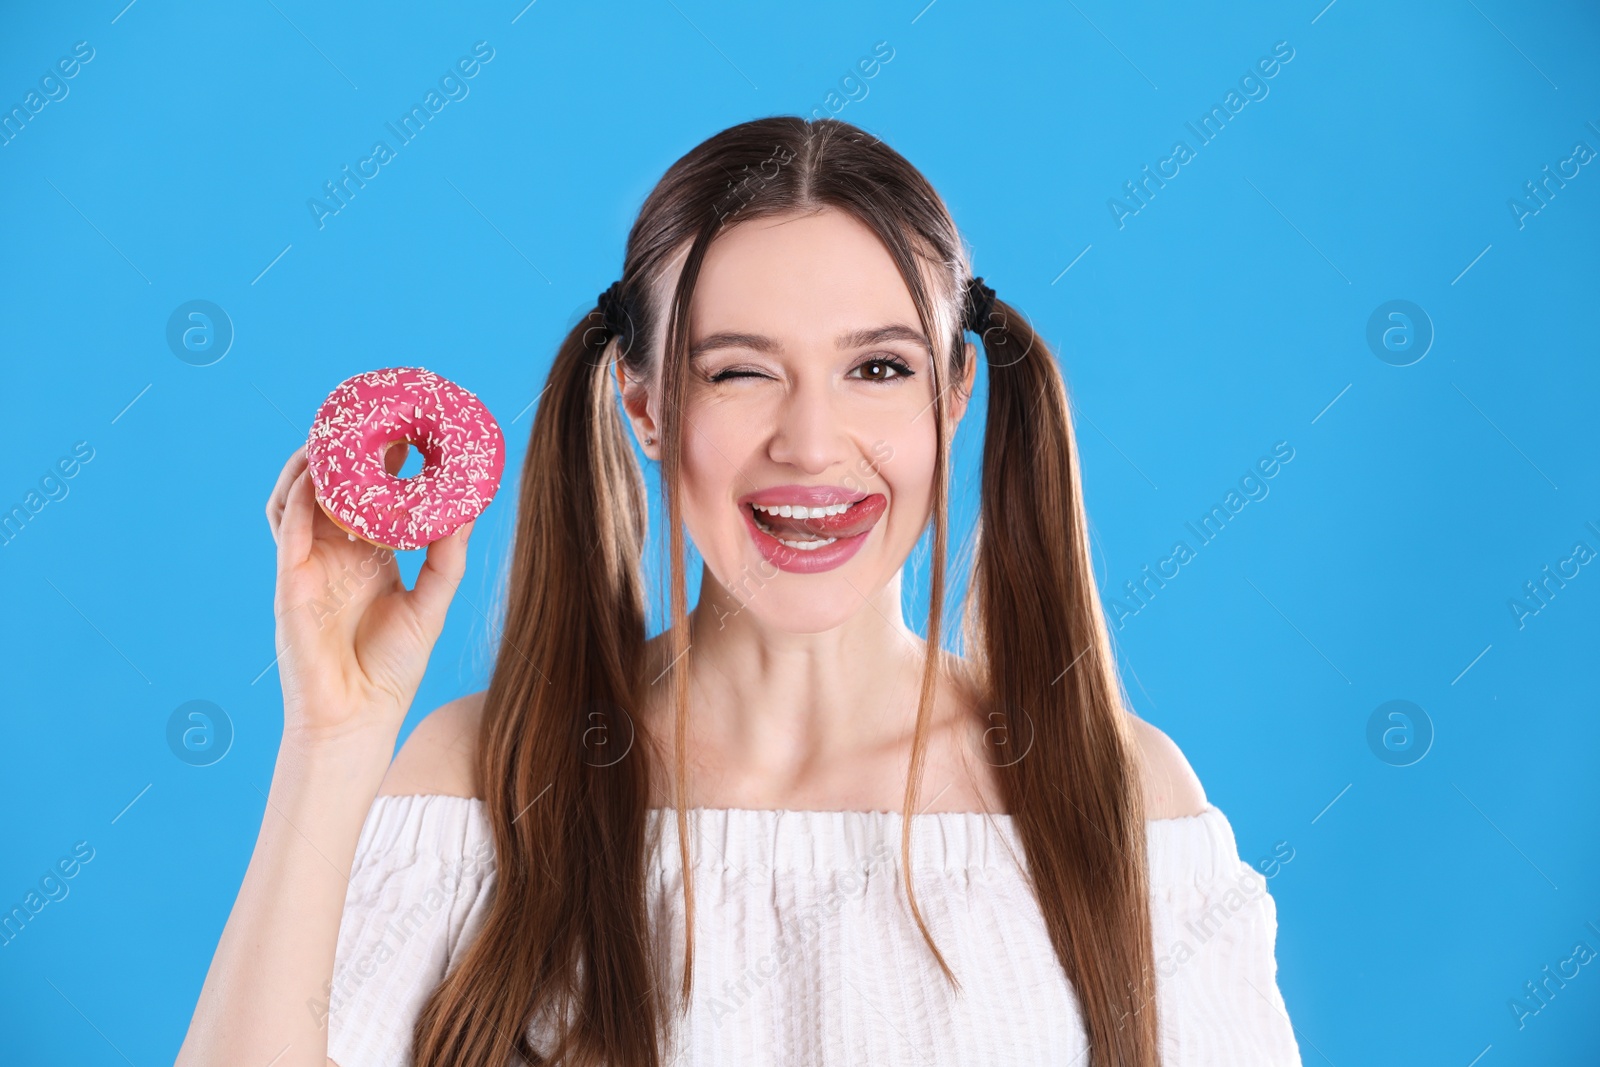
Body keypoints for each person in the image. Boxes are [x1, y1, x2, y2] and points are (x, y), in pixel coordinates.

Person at [177, 116, 1302, 1067]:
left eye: (878, 368)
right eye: (738, 370)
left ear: (954, 394)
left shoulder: (1116, 797)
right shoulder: (483, 782)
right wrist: (333, 737)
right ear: (646, 404)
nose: (812, 444)